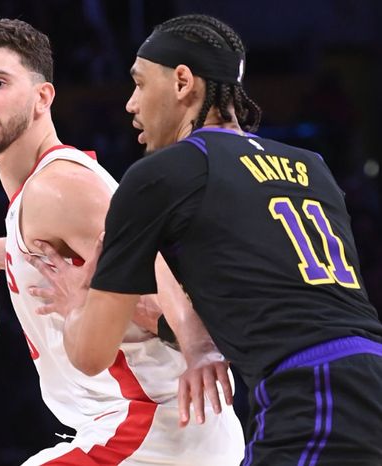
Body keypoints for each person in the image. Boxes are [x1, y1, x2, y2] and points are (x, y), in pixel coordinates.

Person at [26, 14, 382, 466]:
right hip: (360, 375)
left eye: (139, 84)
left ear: (181, 82)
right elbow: (275, 296)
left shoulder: (160, 175)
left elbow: (91, 354)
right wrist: (196, 343)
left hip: (315, 394)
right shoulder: (313, 166)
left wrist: (79, 303)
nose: (131, 104)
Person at [0, 18, 244, 466]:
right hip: (149, 428)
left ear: (43, 97)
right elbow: (94, 252)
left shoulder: (57, 188)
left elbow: (161, 288)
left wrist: (198, 346)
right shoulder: (47, 191)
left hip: (155, 425)